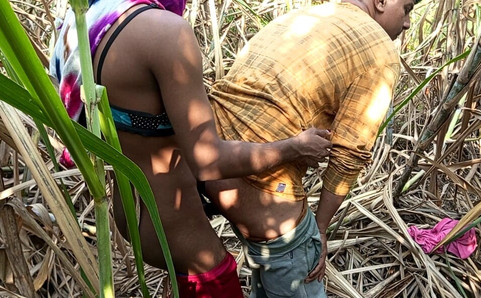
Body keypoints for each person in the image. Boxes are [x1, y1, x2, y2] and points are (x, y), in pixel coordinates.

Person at [49, 0, 332, 297]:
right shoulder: (166, 34)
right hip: (177, 227)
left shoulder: (88, 18)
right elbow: (208, 160)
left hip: (131, 210)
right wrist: (293, 148)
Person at [203, 0, 417, 296]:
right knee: (297, 264)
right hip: (264, 193)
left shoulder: (305, 16)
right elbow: (349, 155)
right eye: (407, 8)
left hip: (214, 164)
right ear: (381, 2)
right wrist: (319, 231)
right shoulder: (380, 51)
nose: (407, 22)